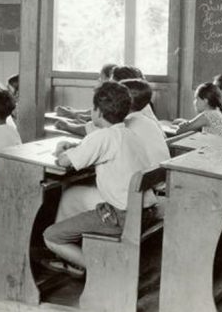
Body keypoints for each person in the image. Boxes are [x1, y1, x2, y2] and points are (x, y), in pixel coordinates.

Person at [42, 82, 154, 277]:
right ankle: (71, 260)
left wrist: (62, 148)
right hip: (146, 211)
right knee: (72, 195)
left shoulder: (103, 137)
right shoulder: (129, 134)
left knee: (51, 237)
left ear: (98, 111)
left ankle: (105, 272)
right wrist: (79, 149)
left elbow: (63, 162)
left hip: (122, 216)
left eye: (92, 108)